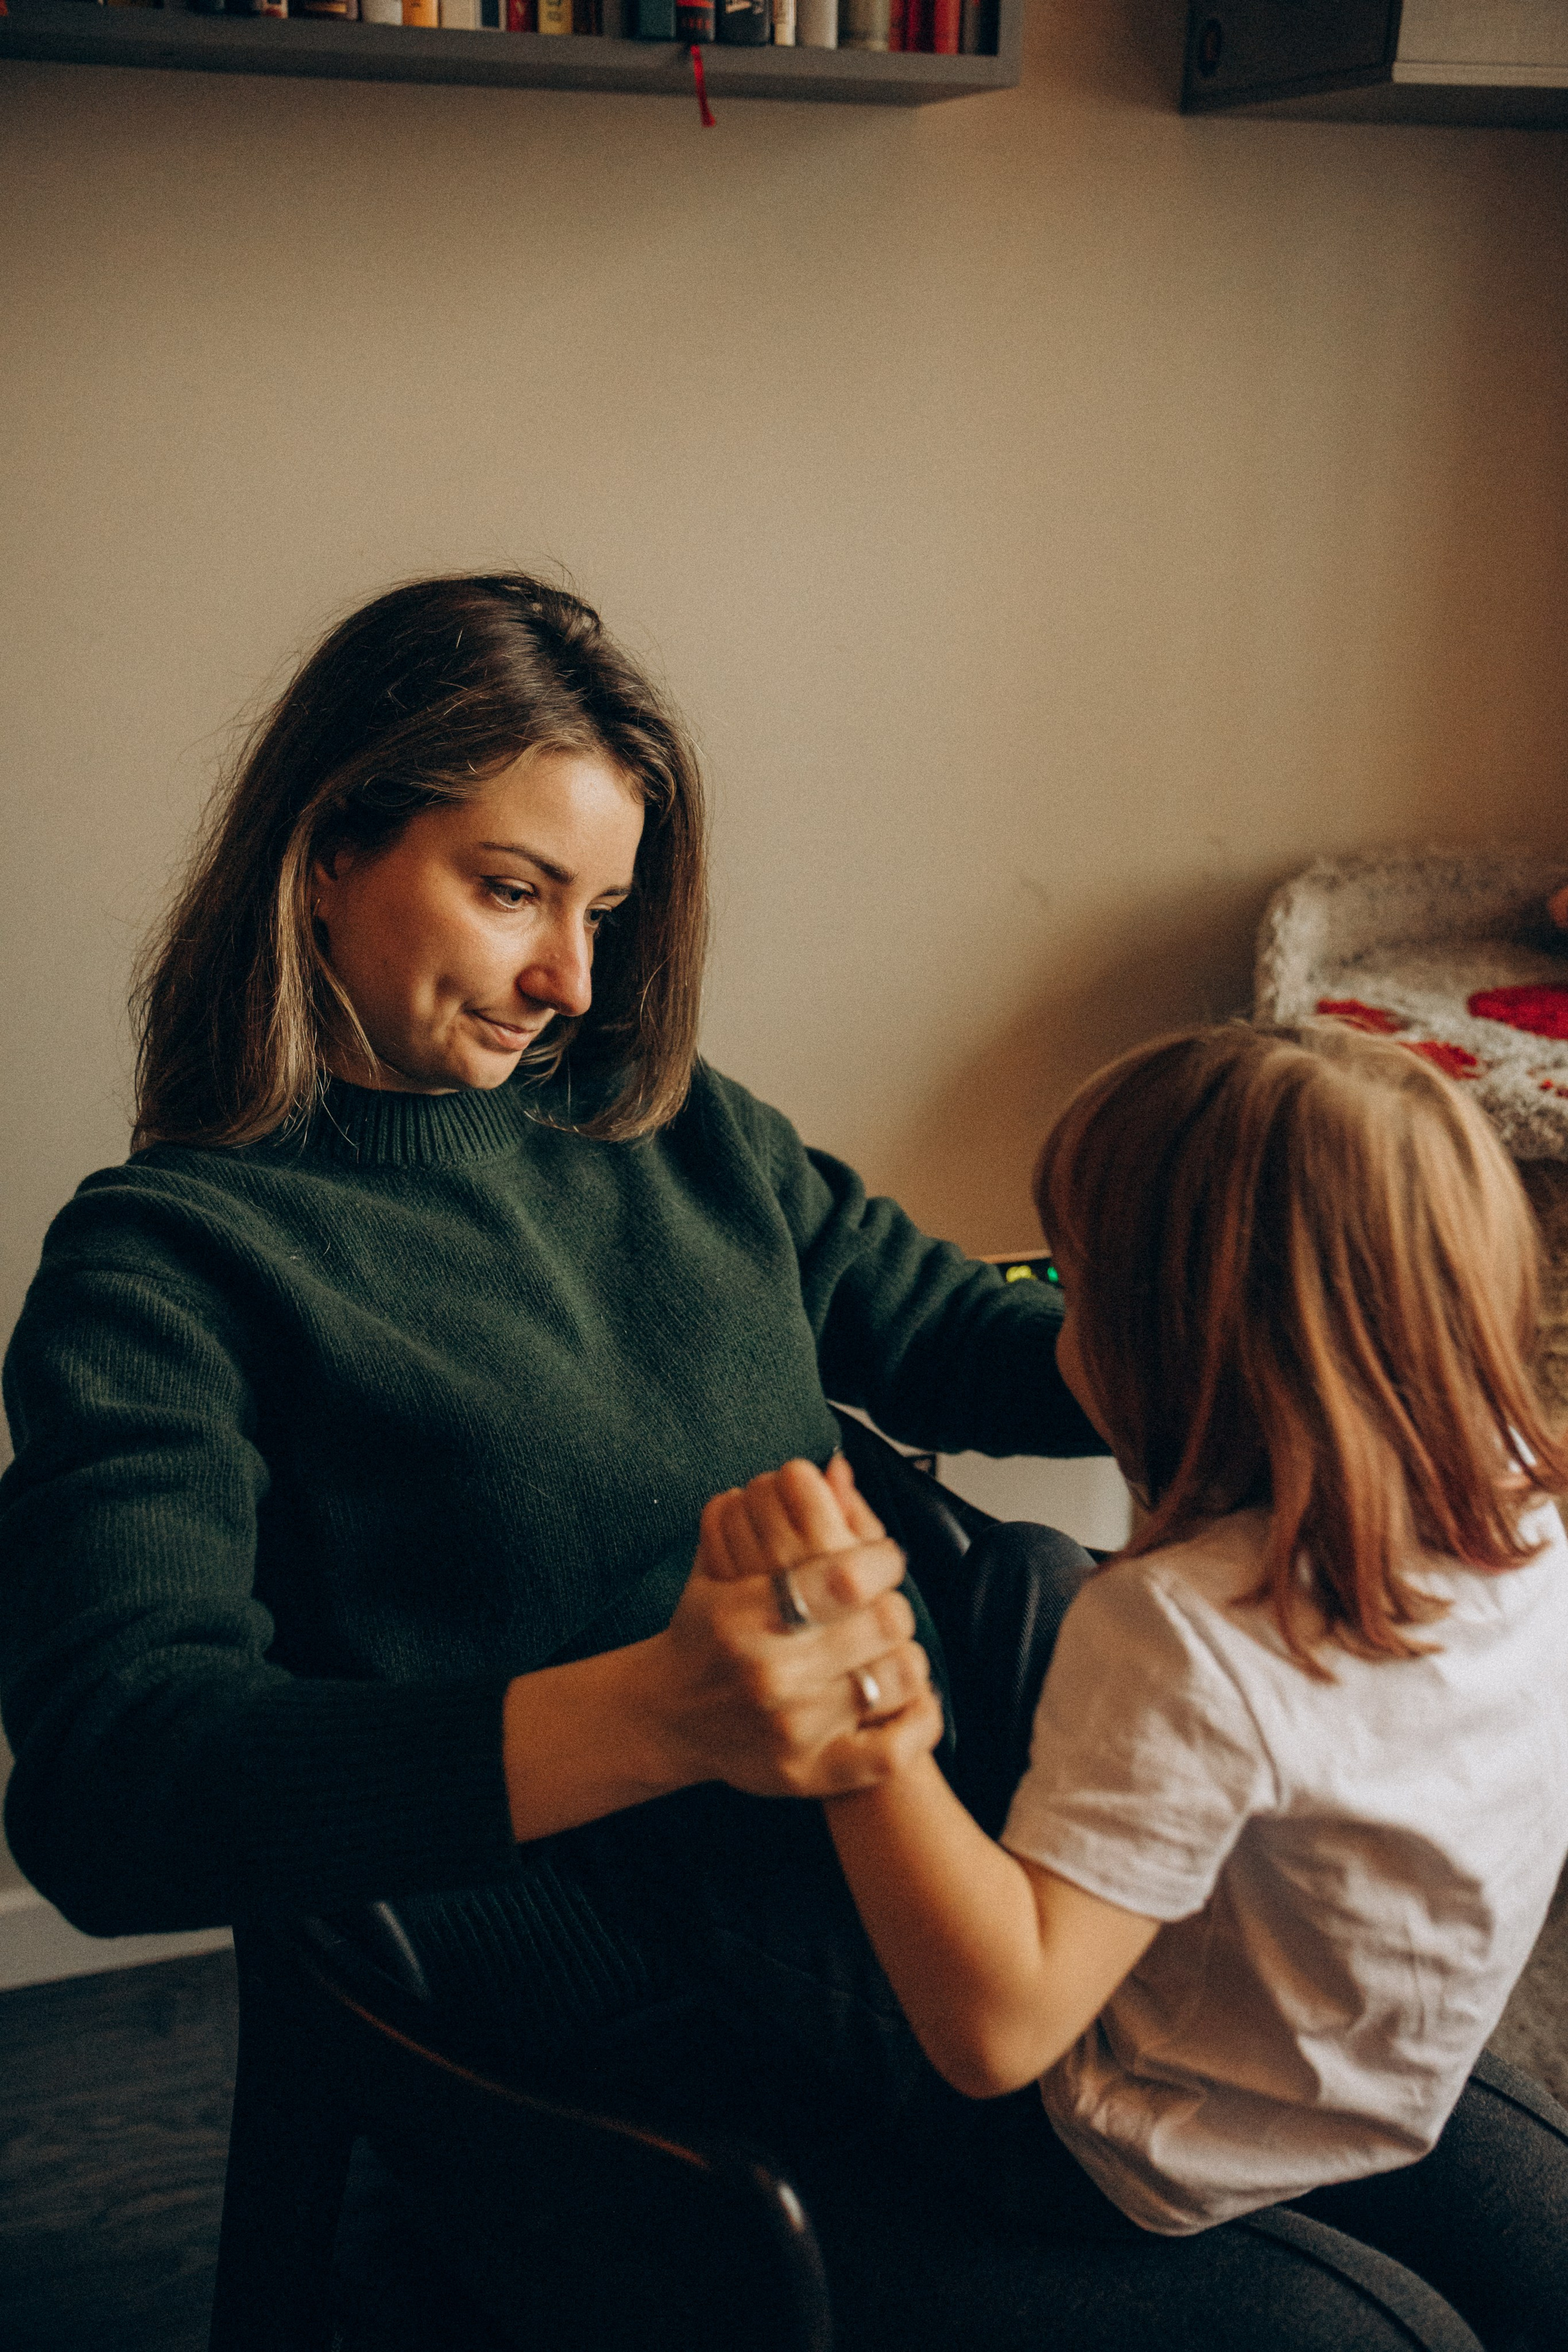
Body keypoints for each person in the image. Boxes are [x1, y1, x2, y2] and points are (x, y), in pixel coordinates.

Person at [701, 1022, 1568, 2351]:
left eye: (1077, 1289)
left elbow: (997, 2032)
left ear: (1170, 1340)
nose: (1053, 1324)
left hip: (1121, 2150)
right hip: (1361, 2060)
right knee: (1027, 1571)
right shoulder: (1516, 1498)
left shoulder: (1180, 1635)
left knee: (703, 1898)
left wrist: (859, 1709)